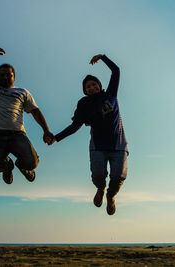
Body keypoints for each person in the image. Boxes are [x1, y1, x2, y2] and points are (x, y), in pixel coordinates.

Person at [50, 54, 128, 215]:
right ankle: (100, 188)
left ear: (99, 85)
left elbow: (116, 71)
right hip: (98, 146)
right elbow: (75, 126)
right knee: (98, 175)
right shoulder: (84, 104)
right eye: (88, 87)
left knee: (118, 177)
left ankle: (111, 196)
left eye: (93, 84)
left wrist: (103, 57)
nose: (91, 88)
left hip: (118, 145)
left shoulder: (110, 94)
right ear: (85, 91)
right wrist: (56, 138)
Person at [0, 47, 54, 184]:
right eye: (2, 75)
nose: (6, 77)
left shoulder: (22, 92)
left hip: (17, 135)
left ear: (14, 77)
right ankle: (7, 166)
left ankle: (24, 168)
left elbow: (35, 111)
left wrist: (46, 130)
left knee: (32, 163)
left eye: (9, 74)